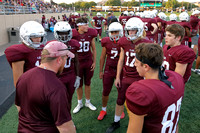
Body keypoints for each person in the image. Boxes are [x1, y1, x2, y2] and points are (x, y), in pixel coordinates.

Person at [15, 41, 76, 133]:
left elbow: (19, 106)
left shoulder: (24, 76)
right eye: (65, 58)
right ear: (59, 60)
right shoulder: (56, 87)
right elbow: (65, 127)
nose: (65, 63)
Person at [106, 17, 152, 133]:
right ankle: (116, 122)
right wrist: (117, 77)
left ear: (140, 30)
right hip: (126, 76)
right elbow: (121, 60)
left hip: (140, 77)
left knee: (142, 102)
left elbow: (149, 64)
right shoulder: (124, 42)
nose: (130, 33)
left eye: (133, 30)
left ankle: (143, 123)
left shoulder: (147, 44)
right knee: (120, 99)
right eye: (129, 30)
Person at [126, 43, 185, 133]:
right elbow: (175, 121)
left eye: (136, 62)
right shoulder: (177, 78)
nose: (134, 64)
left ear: (146, 66)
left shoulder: (140, 92)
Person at [4, 21, 47, 88]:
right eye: (35, 37)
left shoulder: (41, 48)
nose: (39, 39)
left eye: (40, 36)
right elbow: (18, 83)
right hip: (31, 89)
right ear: (25, 37)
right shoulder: (19, 52)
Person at [98, 22, 123, 120]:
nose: (114, 34)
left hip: (120, 70)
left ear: (120, 32)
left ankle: (120, 110)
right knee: (105, 91)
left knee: (121, 91)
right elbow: (103, 56)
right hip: (108, 69)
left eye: (116, 32)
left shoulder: (124, 41)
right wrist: (101, 70)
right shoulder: (106, 41)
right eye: (112, 32)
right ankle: (103, 109)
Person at [72, 17, 97, 113]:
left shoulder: (91, 33)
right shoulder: (73, 34)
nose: (87, 26)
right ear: (79, 26)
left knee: (88, 83)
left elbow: (94, 49)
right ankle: (79, 103)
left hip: (88, 61)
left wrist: (94, 62)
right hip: (77, 63)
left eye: (87, 24)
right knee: (78, 84)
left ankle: (87, 102)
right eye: (85, 25)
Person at [54, 21, 81, 110]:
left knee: (69, 100)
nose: (64, 36)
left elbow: (76, 61)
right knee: (57, 101)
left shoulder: (74, 44)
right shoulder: (51, 45)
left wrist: (77, 76)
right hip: (57, 77)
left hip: (70, 75)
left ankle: (68, 119)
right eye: (61, 33)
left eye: (66, 33)